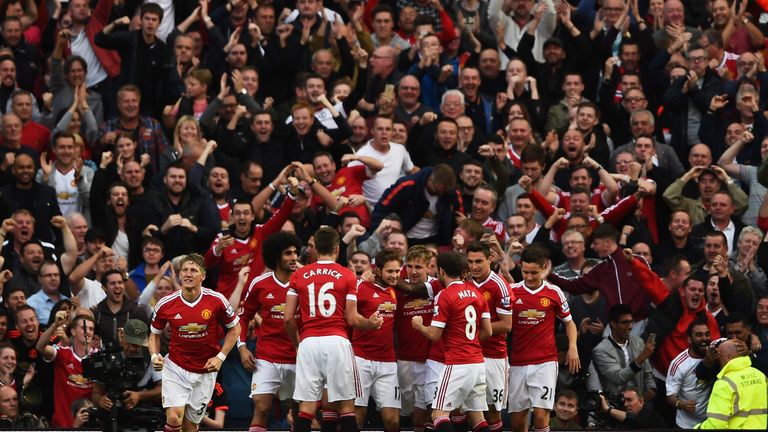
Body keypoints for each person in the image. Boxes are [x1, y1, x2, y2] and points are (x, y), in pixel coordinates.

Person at [283, 226, 383, 432]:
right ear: (337, 249)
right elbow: (353, 318)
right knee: (346, 407)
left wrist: (298, 343)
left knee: (307, 406)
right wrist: (371, 323)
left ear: (315, 248)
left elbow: (288, 318)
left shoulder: (299, 275)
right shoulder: (347, 275)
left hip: (309, 343)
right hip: (337, 342)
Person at [149, 253, 241, 432]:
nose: (188, 274)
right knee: (174, 415)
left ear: (203, 276)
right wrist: (154, 355)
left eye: (193, 270)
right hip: (175, 367)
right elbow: (154, 335)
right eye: (184, 270)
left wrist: (220, 357)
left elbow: (235, 328)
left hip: (204, 371)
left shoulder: (216, 300)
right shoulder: (166, 303)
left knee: (190, 427)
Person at [411, 250, 492, 432]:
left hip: (458, 362)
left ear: (441, 271)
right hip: (478, 362)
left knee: (438, 414)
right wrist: (468, 342)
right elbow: (488, 331)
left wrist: (419, 326)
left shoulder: (446, 295)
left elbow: (434, 335)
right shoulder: (477, 294)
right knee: (478, 418)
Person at [508, 246, 580, 432]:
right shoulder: (512, 291)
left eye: (534, 272)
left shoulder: (554, 292)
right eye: (525, 272)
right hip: (517, 362)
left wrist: (573, 347)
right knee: (516, 422)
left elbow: (569, 323)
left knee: (540, 416)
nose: (530, 277)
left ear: (544, 268)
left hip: (544, 362)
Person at [236, 232, 302, 432]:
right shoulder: (260, 283)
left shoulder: (304, 283)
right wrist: (242, 347)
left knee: (296, 413)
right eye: (288, 253)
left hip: (297, 357)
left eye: (295, 253)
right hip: (267, 356)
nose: (294, 258)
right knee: (261, 407)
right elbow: (243, 316)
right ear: (275, 257)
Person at [352, 249, 402, 430]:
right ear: (377, 270)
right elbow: (347, 316)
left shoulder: (396, 290)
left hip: (388, 362)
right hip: (360, 359)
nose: (395, 275)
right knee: (357, 416)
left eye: (397, 271)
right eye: (390, 271)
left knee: (393, 420)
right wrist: (367, 323)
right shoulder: (360, 287)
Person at [466, 241, 513, 431]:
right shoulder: (465, 281)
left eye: (479, 261)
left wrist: (473, 333)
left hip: (493, 356)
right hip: (467, 355)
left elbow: (506, 325)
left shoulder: (499, 286)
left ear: (490, 259)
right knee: (467, 407)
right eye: (470, 262)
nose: (474, 267)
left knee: (493, 410)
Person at [35, 312, 97, 427]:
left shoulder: (98, 357)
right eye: (83, 328)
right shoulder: (63, 353)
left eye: (91, 329)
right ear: (73, 331)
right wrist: (55, 325)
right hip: (62, 425)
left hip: (90, 426)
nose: (88, 332)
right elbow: (40, 347)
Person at [696, 339, 767, 429]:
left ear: (728, 357)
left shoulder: (724, 383)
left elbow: (717, 424)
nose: (717, 360)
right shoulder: (760, 375)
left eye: (719, 356)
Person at [592, 304, 656, 398]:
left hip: (639, 403)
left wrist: (651, 388)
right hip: (616, 405)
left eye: (631, 322)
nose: (630, 326)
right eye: (625, 322)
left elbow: (647, 373)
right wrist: (641, 357)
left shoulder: (638, 342)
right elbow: (619, 377)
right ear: (613, 324)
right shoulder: (600, 350)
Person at [665, 319, 712, 428]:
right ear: (689, 339)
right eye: (699, 335)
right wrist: (681, 404)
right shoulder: (679, 364)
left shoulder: (715, 354)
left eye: (707, 334)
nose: (705, 338)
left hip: (710, 423)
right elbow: (670, 396)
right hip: (686, 425)